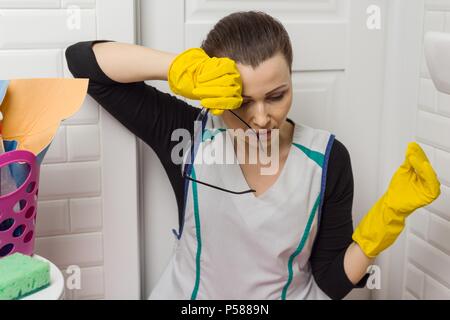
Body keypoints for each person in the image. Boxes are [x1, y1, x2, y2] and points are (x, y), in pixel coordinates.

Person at [65, 11, 441, 300]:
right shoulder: (187, 135)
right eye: (242, 102)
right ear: (213, 96)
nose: (262, 118)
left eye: (277, 95)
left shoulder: (327, 160)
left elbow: (330, 281)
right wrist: (179, 68)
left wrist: (385, 223)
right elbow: (83, 64)